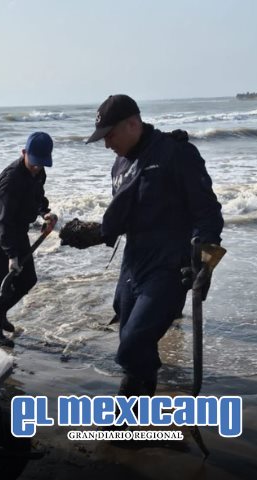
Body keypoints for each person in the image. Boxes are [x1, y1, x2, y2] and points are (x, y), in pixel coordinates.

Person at [84, 94, 224, 397]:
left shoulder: (177, 153)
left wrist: (207, 260)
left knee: (133, 344)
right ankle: (144, 391)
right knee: (128, 336)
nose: (106, 144)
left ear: (133, 124)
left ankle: (127, 416)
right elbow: (123, 215)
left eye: (110, 135)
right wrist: (92, 232)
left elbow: (208, 212)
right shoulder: (119, 165)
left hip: (170, 265)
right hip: (134, 261)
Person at [0, 132, 58, 338]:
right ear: (24, 152)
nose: (37, 167)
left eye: (41, 164)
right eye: (34, 162)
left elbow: (38, 197)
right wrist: (11, 255)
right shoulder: (10, 181)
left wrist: (45, 213)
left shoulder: (39, 172)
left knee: (27, 280)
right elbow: (3, 221)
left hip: (18, 231)